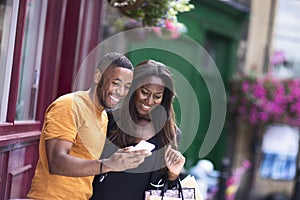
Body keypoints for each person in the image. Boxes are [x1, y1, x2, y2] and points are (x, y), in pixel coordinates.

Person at [27, 52, 151, 200]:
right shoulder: (69, 105)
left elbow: (84, 158)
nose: (120, 92)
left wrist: (122, 157)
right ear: (98, 76)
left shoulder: (104, 116)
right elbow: (56, 162)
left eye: (126, 87)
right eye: (116, 83)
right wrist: (108, 164)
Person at [91, 60, 186, 200]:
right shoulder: (109, 120)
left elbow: (166, 191)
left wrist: (173, 175)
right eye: (145, 92)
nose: (149, 101)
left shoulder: (170, 133)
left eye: (157, 96)